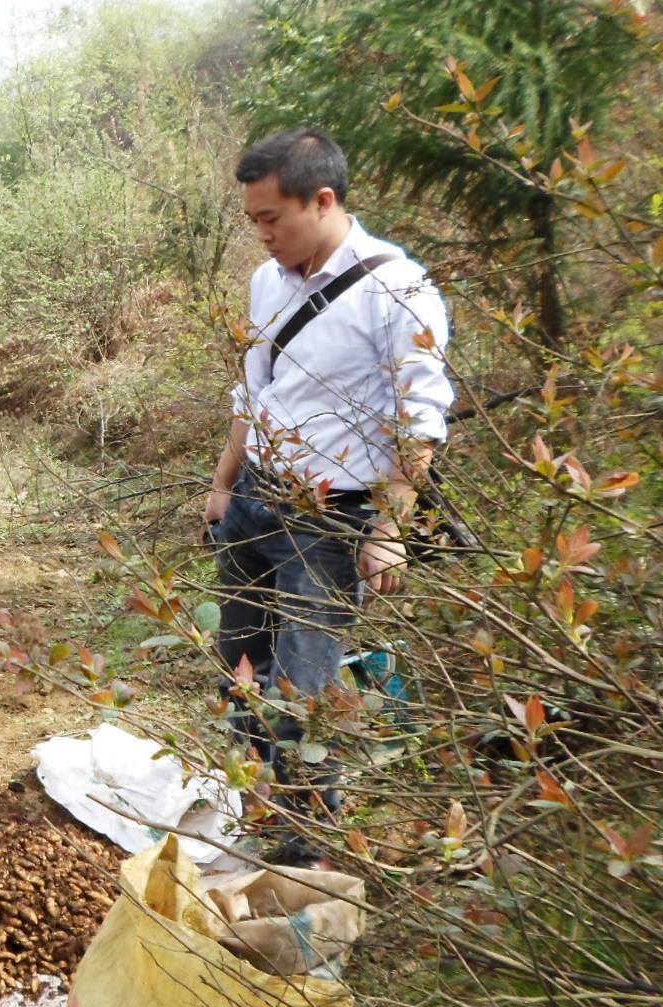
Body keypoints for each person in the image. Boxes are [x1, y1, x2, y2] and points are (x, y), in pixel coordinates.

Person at [202, 128, 454, 843]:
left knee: (298, 692)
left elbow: (421, 419)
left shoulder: (396, 289)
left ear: (323, 200)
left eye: (271, 218)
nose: (261, 235)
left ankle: (303, 851)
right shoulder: (265, 283)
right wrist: (223, 486)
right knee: (241, 672)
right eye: (252, 219)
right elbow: (254, 393)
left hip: (331, 520)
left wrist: (391, 530)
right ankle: (257, 814)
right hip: (255, 498)